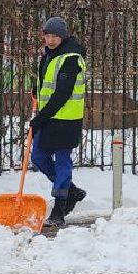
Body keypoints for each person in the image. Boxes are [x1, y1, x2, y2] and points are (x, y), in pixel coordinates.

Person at [29, 16, 87, 231]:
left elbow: (62, 93)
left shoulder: (72, 58)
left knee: (63, 162)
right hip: (48, 117)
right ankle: (71, 191)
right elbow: (47, 84)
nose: (51, 40)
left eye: (55, 36)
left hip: (66, 120)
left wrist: (40, 118)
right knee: (38, 157)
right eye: (48, 35)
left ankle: (59, 209)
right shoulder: (47, 55)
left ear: (63, 37)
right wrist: (37, 89)